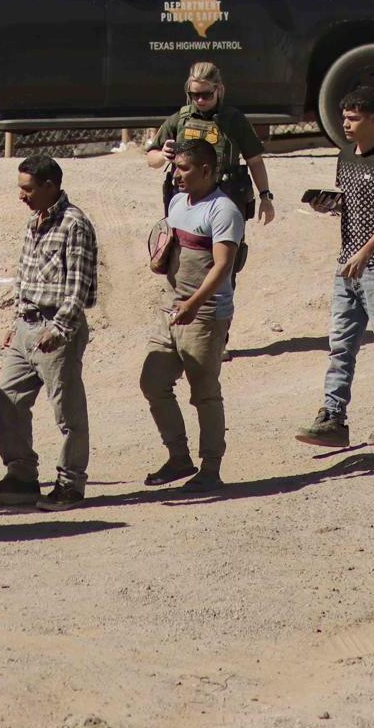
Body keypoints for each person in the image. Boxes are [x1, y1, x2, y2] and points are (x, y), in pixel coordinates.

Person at [296, 86, 374, 449]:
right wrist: (327, 206)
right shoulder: (344, 156)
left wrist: (364, 253)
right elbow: (349, 205)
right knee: (340, 345)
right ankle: (333, 416)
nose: (345, 123)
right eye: (344, 116)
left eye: (353, 117)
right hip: (346, 267)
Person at [0, 155, 100, 512]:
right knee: (10, 400)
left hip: (55, 329)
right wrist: (15, 322)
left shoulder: (74, 224)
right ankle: (21, 478)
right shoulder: (34, 222)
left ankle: (70, 485)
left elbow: (78, 286)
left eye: (28, 189)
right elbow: (27, 278)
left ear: (50, 186)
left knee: (67, 413)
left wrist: (60, 329)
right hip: (26, 328)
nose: (22, 196)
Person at [139, 138, 243, 493]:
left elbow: (223, 265)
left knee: (204, 393)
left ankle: (210, 468)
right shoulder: (178, 202)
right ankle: (179, 458)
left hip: (205, 314)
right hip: (171, 308)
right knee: (152, 382)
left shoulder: (223, 210)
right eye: (176, 167)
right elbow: (168, 242)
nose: (177, 175)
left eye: (184, 169)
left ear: (206, 170)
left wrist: (195, 304)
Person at [146, 62, 275, 231]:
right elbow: (151, 159)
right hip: (185, 199)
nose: (200, 100)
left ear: (219, 89)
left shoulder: (234, 120)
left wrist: (265, 197)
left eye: (206, 95)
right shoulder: (180, 119)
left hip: (224, 198)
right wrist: (162, 155)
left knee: (225, 252)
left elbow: (255, 161)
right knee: (184, 252)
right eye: (194, 94)